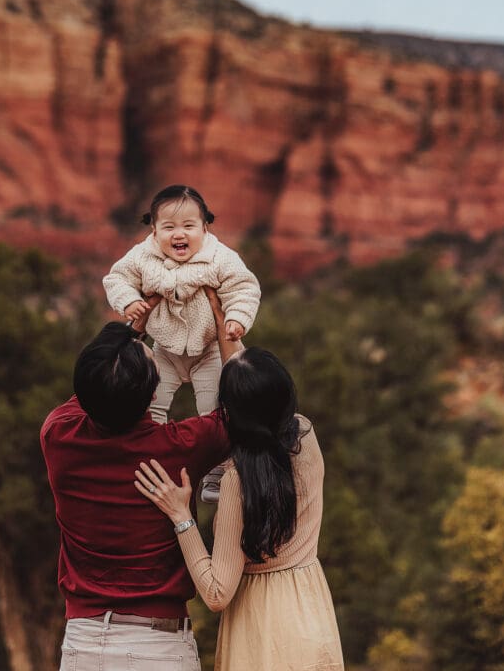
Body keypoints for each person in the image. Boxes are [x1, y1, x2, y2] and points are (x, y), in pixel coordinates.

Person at [40, 289, 243, 671]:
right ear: (154, 393)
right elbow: (242, 406)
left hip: (82, 643)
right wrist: (221, 322)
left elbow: (97, 384)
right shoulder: (179, 447)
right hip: (157, 646)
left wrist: (135, 323)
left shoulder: (58, 436)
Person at [134, 347, 345, 671]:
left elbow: (217, 593)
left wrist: (181, 516)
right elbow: (255, 384)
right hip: (311, 617)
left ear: (230, 412)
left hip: (260, 631)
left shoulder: (238, 482)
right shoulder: (305, 436)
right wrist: (223, 316)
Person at [103, 185, 260, 499]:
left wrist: (237, 318)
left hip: (208, 348)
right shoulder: (142, 256)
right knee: (150, 403)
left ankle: (217, 473)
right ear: (154, 230)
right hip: (165, 349)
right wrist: (128, 301)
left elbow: (244, 287)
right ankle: (154, 460)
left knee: (214, 407)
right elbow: (116, 278)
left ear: (205, 228)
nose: (180, 234)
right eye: (169, 227)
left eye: (189, 226)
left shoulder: (220, 257)